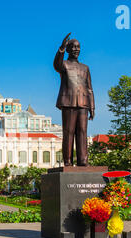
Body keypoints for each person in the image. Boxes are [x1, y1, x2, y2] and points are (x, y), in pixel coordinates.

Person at [53, 33, 95, 166]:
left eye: (78, 47)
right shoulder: (64, 65)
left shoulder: (85, 68)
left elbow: (89, 89)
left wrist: (92, 107)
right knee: (69, 132)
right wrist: (61, 49)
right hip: (69, 103)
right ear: (69, 49)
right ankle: (68, 161)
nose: (76, 49)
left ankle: (83, 160)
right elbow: (56, 65)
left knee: (82, 131)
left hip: (83, 104)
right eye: (73, 47)